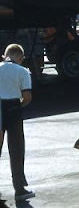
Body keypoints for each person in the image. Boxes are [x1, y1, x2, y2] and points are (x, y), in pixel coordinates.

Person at [0, 44, 35, 202]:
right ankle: (19, 188)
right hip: (13, 108)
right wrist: (16, 106)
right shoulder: (23, 71)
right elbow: (27, 97)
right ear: (20, 58)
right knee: (16, 150)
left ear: (4, 55)